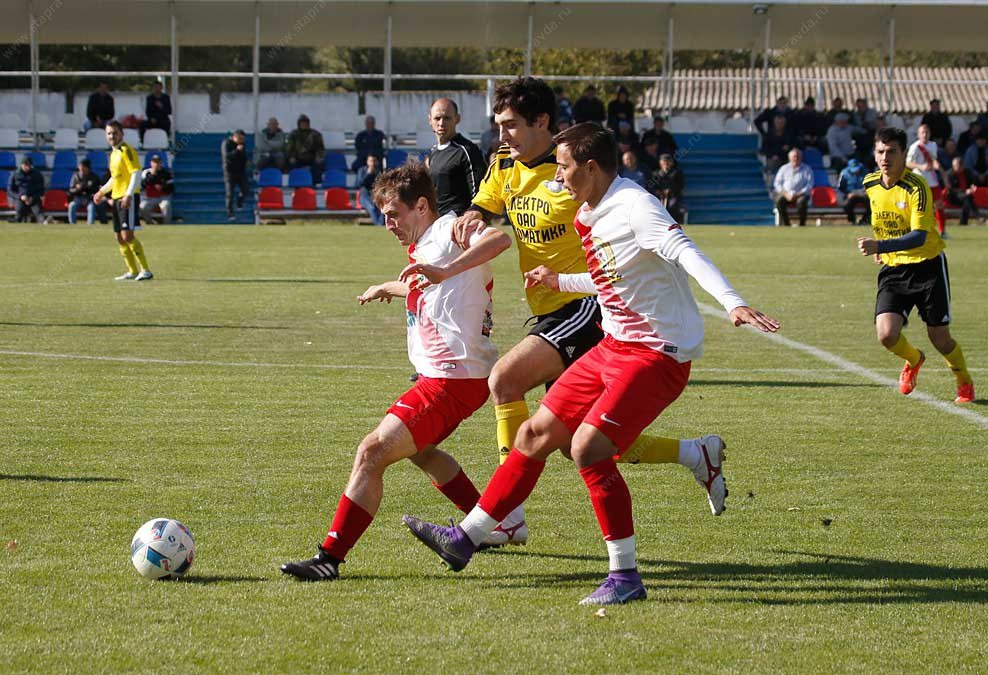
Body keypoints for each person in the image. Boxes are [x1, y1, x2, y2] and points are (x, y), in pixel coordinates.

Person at [402, 123, 779, 606]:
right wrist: (562, 282)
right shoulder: (590, 211)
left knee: (587, 448)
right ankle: (466, 539)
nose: (557, 177)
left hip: (657, 354)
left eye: (562, 167)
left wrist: (732, 302)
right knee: (533, 435)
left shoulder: (637, 208)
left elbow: (686, 252)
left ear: (592, 167)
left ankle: (625, 577)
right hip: (614, 346)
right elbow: (614, 276)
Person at [439, 77, 733, 548]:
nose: (503, 136)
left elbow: (663, 248)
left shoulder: (585, 181)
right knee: (579, 439)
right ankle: (695, 453)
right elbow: (486, 207)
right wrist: (473, 214)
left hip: (589, 310)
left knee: (506, 382)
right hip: (551, 305)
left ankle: (503, 518)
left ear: (542, 123)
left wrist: (732, 301)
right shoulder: (505, 168)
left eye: (512, 125)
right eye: (498, 126)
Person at [279, 164, 511, 582]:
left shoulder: (448, 231)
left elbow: (499, 238)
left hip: (452, 379)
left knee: (371, 452)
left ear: (422, 206)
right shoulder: (430, 243)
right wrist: (389, 287)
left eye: (393, 214)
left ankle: (329, 558)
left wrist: (444, 269)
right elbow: (437, 286)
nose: (387, 224)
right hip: (449, 376)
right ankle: (492, 523)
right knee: (420, 451)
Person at [856, 127, 974, 405]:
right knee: (886, 335)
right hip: (894, 267)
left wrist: (880, 245)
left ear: (902, 154)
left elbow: (919, 236)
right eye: (880, 152)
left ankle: (964, 380)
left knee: (941, 339)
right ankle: (914, 359)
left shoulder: (917, 186)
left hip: (928, 266)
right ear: (874, 154)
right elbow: (881, 215)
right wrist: (882, 246)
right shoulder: (870, 183)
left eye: (892, 152)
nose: (885, 157)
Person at [93, 121, 152, 281]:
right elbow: (114, 178)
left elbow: (136, 173)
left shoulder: (127, 150)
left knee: (127, 236)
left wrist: (128, 194)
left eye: (115, 133)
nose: (112, 136)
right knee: (119, 237)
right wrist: (101, 191)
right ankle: (132, 271)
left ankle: (146, 270)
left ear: (122, 134)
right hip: (117, 197)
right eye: (109, 133)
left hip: (127, 197)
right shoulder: (113, 154)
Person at [425, 98, 486, 217]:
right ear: (430, 120)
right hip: (437, 225)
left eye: (447, 118)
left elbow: (480, 192)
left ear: (457, 119)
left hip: (460, 225)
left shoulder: (467, 150)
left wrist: (472, 219)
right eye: (437, 118)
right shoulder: (433, 152)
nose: (441, 123)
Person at [906, 124, 946, 235]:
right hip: (919, 181)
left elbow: (933, 158)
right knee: (919, 207)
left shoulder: (933, 145)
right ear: (918, 134)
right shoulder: (915, 147)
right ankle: (914, 230)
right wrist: (920, 166)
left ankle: (942, 231)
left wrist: (936, 164)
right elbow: (908, 163)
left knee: (939, 205)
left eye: (927, 132)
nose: (925, 134)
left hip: (932, 180)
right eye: (922, 132)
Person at [773, 148, 813, 227]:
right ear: (789, 158)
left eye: (798, 156)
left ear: (801, 158)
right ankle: (786, 224)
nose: (796, 158)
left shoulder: (807, 169)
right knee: (779, 201)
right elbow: (777, 184)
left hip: (801, 195)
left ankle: (802, 224)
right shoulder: (783, 169)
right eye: (794, 157)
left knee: (801, 202)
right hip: (786, 194)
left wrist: (797, 194)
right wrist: (786, 194)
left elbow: (809, 185)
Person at [286, 114, 325, 184]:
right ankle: (296, 183)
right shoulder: (293, 134)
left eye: (305, 123)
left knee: (318, 164)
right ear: (299, 124)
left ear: (308, 124)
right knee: (292, 164)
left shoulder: (315, 134)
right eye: (302, 123)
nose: (304, 124)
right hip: (298, 158)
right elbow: (289, 148)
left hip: (312, 157)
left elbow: (320, 148)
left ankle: (315, 184)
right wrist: (291, 157)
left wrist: (319, 156)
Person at [67, 158, 106, 225]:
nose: (81, 169)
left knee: (91, 207)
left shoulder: (94, 177)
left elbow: (97, 190)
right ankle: (72, 224)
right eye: (80, 167)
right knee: (71, 206)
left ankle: (90, 225)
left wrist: (87, 188)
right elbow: (71, 190)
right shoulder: (75, 176)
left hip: (89, 198)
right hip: (78, 198)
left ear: (87, 168)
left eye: (83, 167)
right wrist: (77, 189)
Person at [945, 155, 982, 225]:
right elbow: (951, 189)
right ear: (954, 166)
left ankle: (963, 223)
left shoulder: (967, 172)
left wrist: (973, 185)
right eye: (957, 167)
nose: (959, 168)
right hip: (954, 197)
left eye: (961, 166)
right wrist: (965, 191)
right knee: (968, 198)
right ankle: (978, 216)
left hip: (966, 197)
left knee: (967, 201)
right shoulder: (949, 175)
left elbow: (975, 180)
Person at [650, 153, 685, 223]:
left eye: (668, 161)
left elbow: (681, 185)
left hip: (673, 198)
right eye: (664, 162)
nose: (666, 163)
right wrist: (657, 191)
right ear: (660, 163)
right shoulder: (655, 174)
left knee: (674, 208)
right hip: (659, 198)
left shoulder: (677, 173)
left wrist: (670, 190)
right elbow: (651, 187)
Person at [222, 129, 249, 223]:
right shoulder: (226, 143)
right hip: (230, 172)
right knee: (230, 194)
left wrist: (246, 161)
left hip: (241, 171)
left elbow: (243, 156)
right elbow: (227, 157)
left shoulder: (242, 144)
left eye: (243, 139)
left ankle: (239, 201)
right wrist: (237, 150)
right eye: (240, 139)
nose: (242, 141)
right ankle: (230, 214)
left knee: (245, 190)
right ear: (235, 137)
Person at [7, 156, 44, 223]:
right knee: (20, 210)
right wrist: (20, 196)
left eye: (29, 165)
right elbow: (10, 190)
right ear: (21, 165)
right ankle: (17, 221)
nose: (27, 167)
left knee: (38, 212)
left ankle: (43, 223)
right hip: (19, 198)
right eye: (25, 165)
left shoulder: (37, 174)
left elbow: (41, 190)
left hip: (33, 199)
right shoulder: (15, 174)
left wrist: (32, 198)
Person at [140, 154, 174, 224]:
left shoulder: (166, 173)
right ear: (151, 163)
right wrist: (152, 175)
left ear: (161, 163)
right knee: (142, 206)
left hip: (163, 197)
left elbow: (171, 188)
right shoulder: (146, 172)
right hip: (151, 197)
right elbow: (143, 185)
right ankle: (150, 223)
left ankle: (166, 225)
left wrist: (163, 187)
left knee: (166, 205)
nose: (156, 164)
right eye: (154, 162)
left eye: (158, 162)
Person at [837, 157, 870, 225]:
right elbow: (840, 188)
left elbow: (869, 186)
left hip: (863, 195)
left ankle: (864, 221)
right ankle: (852, 220)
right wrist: (847, 194)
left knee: (873, 204)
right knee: (846, 205)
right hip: (850, 195)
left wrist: (864, 192)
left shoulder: (865, 172)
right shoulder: (844, 173)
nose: (856, 171)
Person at [357, 155, 384, 226]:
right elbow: (359, 184)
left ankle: (380, 224)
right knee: (372, 208)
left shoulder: (378, 171)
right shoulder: (362, 170)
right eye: (371, 161)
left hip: (375, 196)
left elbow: (380, 184)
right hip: (364, 197)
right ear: (367, 162)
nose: (372, 163)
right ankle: (379, 225)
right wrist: (368, 174)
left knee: (382, 208)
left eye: (374, 161)